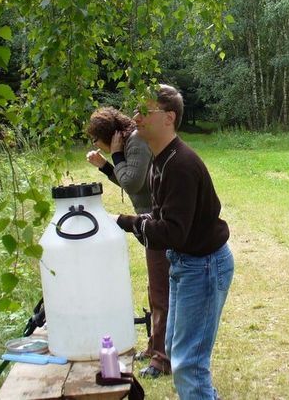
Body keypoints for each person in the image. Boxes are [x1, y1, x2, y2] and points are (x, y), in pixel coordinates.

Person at [116, 84, 234, 400]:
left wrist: (126, 222)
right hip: (185, 261)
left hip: (204, 266)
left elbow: (172, 232)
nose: (136, 118)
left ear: (169, 117)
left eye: (145, 111)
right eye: (136, 110)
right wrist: (133, 223)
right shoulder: (161, 160)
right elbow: (161, 218)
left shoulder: (180, 165)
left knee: (187, 364)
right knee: (173, 348)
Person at [86, 107, 171, 379]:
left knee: (161, 291)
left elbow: (132, 182)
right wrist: (106, 166)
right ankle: (155, 346)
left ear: (107, 135)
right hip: (151, 221)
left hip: (157, 222)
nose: (95, 144)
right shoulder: (131, 142)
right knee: (156, 288)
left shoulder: (134, 142)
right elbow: (129, 180)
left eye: (95, 139)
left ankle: (162, 358)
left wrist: (115, 155)